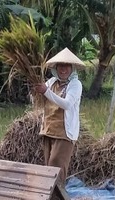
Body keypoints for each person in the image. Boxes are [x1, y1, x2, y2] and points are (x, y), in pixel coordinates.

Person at [34, 47, 85, 186]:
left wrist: (45, 92)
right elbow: (41, 97)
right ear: (56, 68)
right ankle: (49, 195)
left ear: (72, 68)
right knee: (48, 168)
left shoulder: (75, 84)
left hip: (64, 133)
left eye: (66, 66)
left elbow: (67, 104)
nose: (63, 69)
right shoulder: (51, 82)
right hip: (49, 130)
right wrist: (37, 91)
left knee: (56, 167)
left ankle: (57, 195)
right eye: (60, 66)